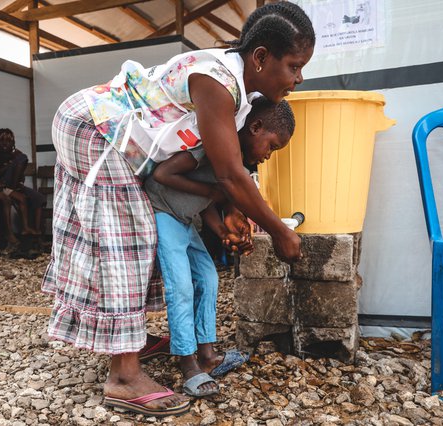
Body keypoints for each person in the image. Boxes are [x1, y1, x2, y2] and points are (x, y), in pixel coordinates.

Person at [42, 2, 314, 417]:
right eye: (294, 66)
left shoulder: (238, 90)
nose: (298, 79)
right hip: (94, 127)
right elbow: (227, 175)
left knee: (135, 238)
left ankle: (125, 339)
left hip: (111, 134)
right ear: (261, 57)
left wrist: (236, 212)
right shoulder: (218, 82)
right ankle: (124, 376)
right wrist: (280, 231)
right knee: (127, 244)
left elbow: (230, 172)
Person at [146, 97, 295, 398]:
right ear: (255, 127)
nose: (269, 156)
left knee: (209, 278)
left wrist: (224, 231)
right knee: (181, 287)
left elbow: (205, 207)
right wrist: (213, 192)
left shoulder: (235, 162)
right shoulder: (211, 146)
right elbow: (163, 175)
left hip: (186, 220)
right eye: (272, 146)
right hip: (163, 214)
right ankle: (187, 362)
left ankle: (207, 355)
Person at [0, 128, 46, 235]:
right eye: (2, 140)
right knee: (22, 157)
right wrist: (11, 164)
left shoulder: (16, 155)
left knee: (39, 198)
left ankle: (37, 231)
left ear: (13, 143)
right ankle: (14, 187)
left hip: (16, 184)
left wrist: (14, 163)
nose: (5, 143)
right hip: (3, 183)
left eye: (9, 141)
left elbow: (21, 170)